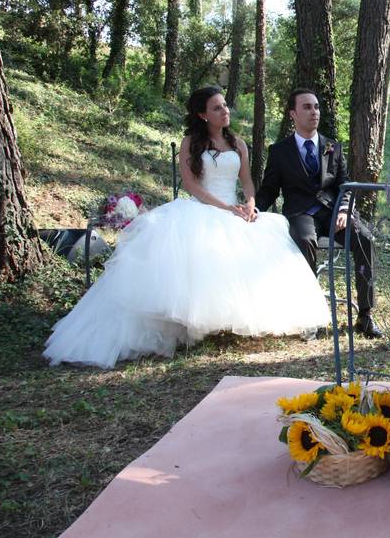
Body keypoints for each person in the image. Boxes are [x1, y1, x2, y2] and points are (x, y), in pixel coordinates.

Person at [44, 86, 331, 369]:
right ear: (203, 115)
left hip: (235, 210)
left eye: (225, 105)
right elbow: (192, 185)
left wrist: (251, 203)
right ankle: (190, 323)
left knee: (269, 236)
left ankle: (231, 321)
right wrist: (224, 207)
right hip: (203, 209)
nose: (225, 111)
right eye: (217, 108)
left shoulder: (238, 143)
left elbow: (246, 181)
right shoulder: (191, 142)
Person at [256, 88, 382, 338]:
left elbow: (345, 183)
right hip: (301, 213)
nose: (314, 112)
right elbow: (269, 189)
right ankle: (309, 317)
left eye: (316, 106)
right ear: (293, 113)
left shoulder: (333, 146)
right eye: (306, 107)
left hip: (335, 213)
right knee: (304, 241)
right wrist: (254, 208)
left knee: (364, 239)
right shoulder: (279, 151)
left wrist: (345, 210)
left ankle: (365, 316)